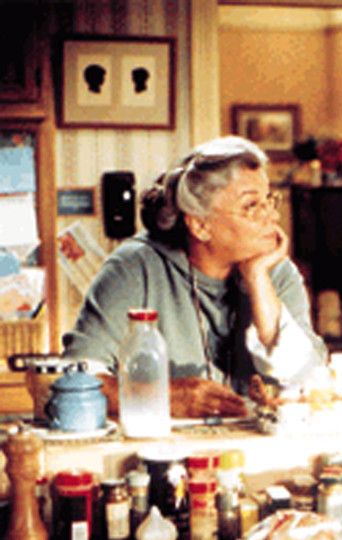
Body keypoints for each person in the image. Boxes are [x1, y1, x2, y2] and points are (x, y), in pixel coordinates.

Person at [63, 136, 326, 418]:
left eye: (269, 201)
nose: (272, 217)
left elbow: (309, 378)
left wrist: (257, 278)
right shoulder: (133, 268)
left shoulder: (275, 271)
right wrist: (167, 397)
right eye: (251, 206)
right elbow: (76, 379)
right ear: (200, 225)